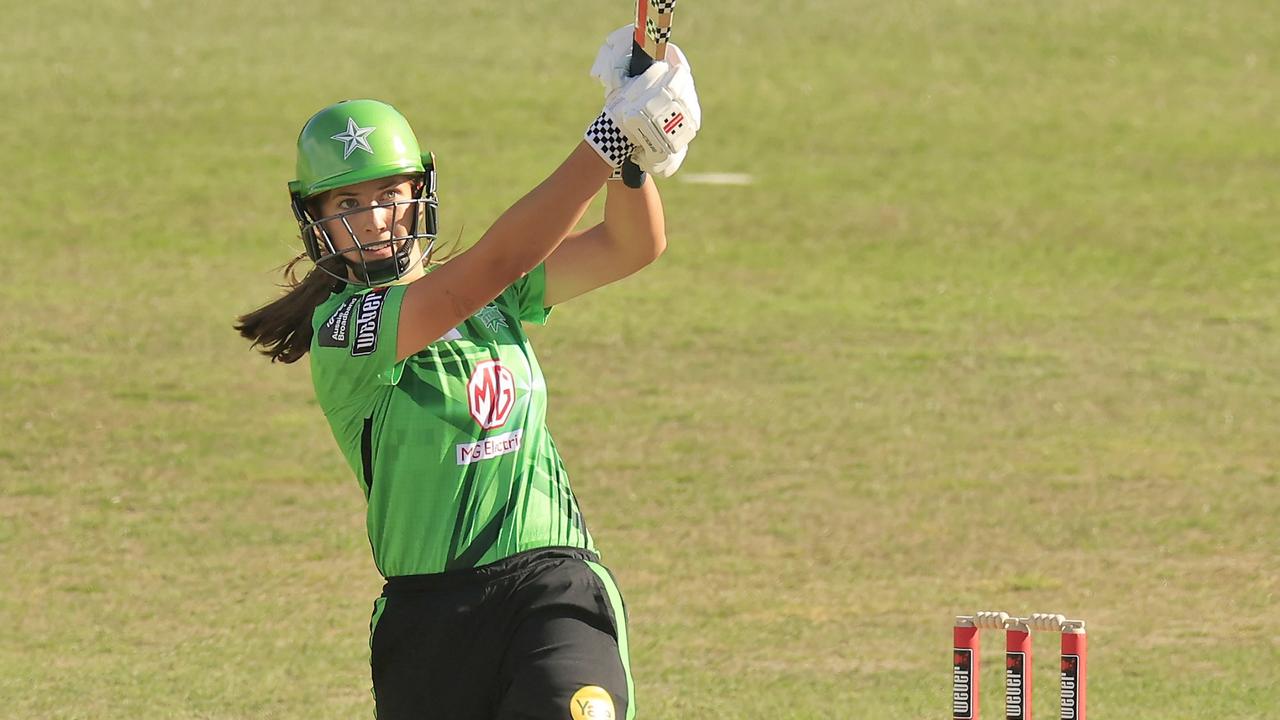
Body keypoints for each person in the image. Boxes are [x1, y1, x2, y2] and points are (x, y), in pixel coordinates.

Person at [236, 27, 700, 720]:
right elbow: (486, 270)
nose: (376, 219)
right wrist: (604, 139)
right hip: (429, 623)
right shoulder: (345, 333)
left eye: (389, 193)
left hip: (553, 585)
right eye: (348, 204)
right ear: (316, 222)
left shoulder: (494, 296)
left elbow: (631, 245)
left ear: (421, 192)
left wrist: (632, 158)